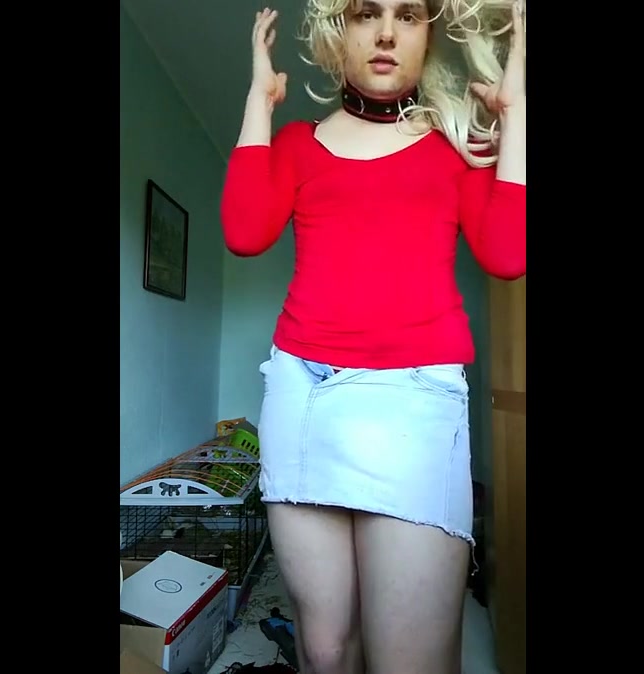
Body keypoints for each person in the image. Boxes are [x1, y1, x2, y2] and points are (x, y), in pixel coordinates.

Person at [220, 1, 525, 672]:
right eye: (366, 13)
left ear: (428, 34)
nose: (386, 32)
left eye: (408, 15)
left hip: (416, 400)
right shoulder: (297, 144)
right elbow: (243, 232)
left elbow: (508, 254)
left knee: (407, 661)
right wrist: (259, 102)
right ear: (340, 31)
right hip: (304, 394)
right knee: (325, 650)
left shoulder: (457, 145)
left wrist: (515, 113)